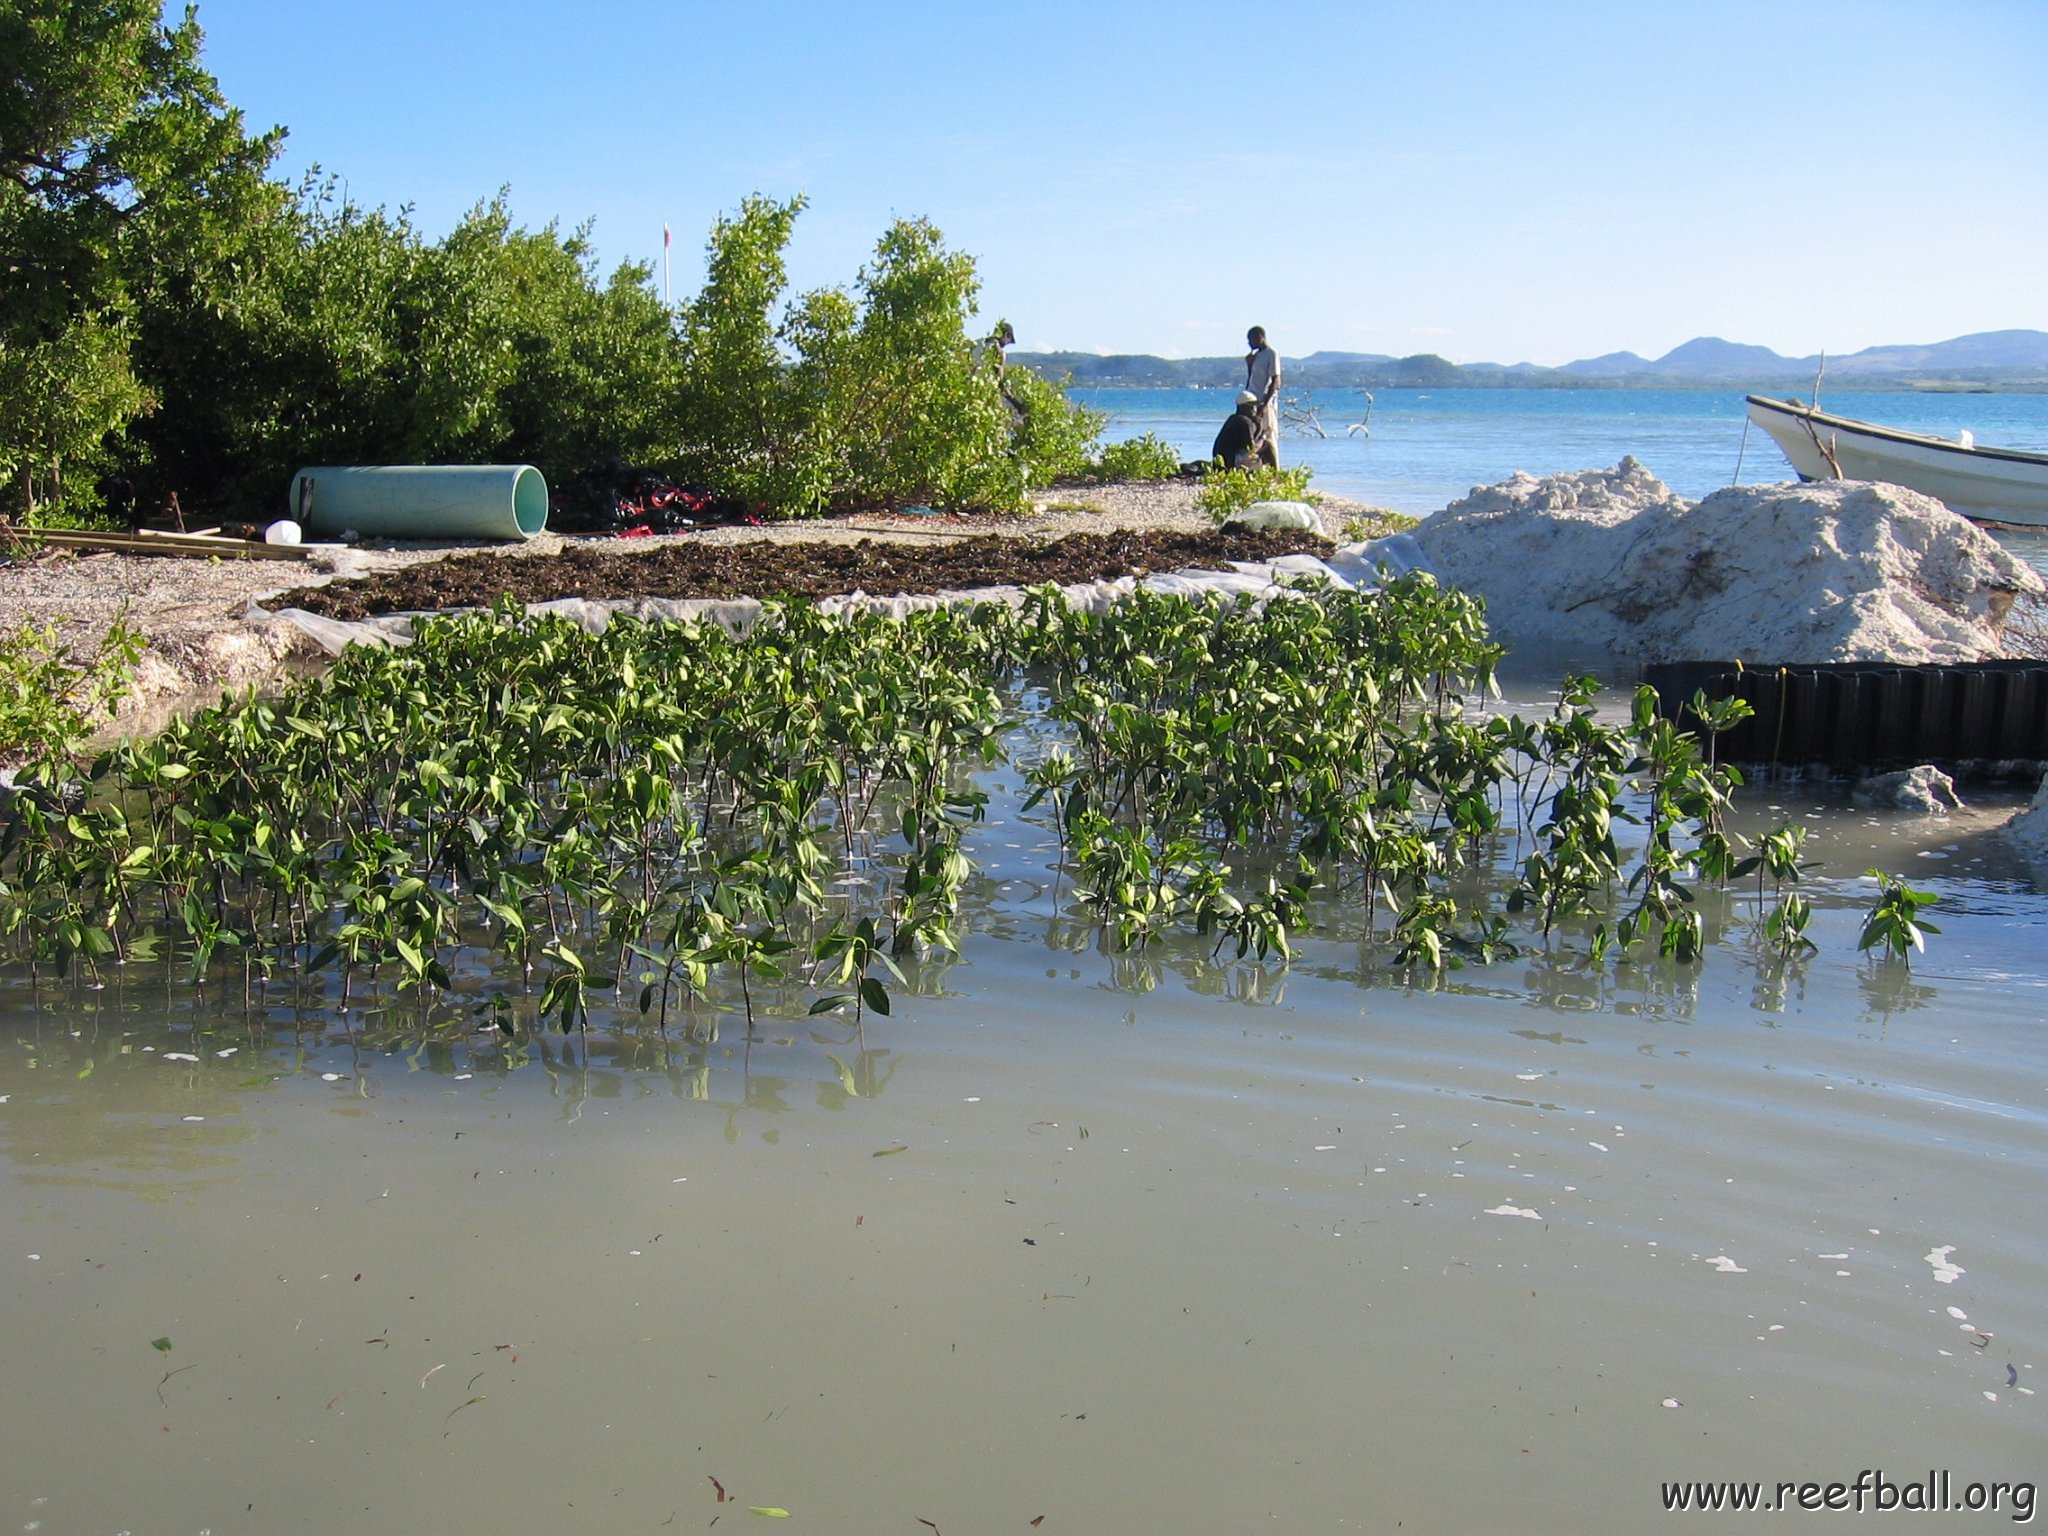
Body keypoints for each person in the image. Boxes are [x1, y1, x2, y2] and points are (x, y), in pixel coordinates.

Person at [1245, 326, 1282, 467]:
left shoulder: (1271, 353)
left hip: (1264, 401)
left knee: (1268, 434)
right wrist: (1249, 365)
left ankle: (1275, 468)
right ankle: (1259, 467)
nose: (1250, 344)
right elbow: (1252, 380)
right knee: (1255, 434)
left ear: (1259, 337)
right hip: (1253, 400)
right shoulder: (1257, 356)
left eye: (1251, 340)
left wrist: (1266, 404)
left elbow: (1275, 380)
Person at [1211, 391, 1264, 470]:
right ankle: (1273, 471)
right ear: (1242, 407)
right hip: (1230, 462)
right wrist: (1262, 436)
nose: (1254, 409)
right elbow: (1251, 448)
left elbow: (1248, 443)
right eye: (1251, 406)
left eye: (1255, 406)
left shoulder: (1233, 418)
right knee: (1268, 445)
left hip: (1222, 462)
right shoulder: (1244, 421)